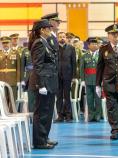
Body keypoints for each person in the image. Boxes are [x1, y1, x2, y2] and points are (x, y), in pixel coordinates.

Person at [28, 19, 59, 149]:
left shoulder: (45, 42)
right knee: (41, 113)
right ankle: (39, 141)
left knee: (48, 112)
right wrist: (41, 85)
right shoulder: (39, 43)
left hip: (49, 82)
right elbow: (38, 66)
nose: (50, 30)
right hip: (43, 83)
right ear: (42, 30)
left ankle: (44, 137)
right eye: (48, 28)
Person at [96, 24, 118, 139]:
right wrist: (98, 84)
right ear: (108, 36)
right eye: (113, 34)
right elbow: (100, 67)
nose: (115, 36)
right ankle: (115, 129)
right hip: (109, 82)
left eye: (117, 33)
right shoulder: (104, 49)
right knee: (111, 106)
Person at [55, 32, 76, 122]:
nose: (62, 38)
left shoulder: (71, 48)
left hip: (68, 75)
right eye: (60, 37)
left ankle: (68, 115)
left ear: (66, 38)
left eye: (63, 37)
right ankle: (60, 115)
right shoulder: (54, 48)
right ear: (57, 38)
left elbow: (74, 63)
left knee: (67, 96)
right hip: (57, 76)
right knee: (59, 96)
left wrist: (74, 76)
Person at [81, 37, 102, 122]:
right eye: (92, 44)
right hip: (88, 80)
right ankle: (91, 115)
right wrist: (82, 80)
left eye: (96, 44)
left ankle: (98, 115)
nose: (94, 45)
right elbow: (82, 68)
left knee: (98, 98)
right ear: (88, 45)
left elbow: (102, 68)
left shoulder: (100, 55)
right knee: (89, 98)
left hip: (98, 80)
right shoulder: (84, 56)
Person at [0, 36, 21, 112]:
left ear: (10, 43)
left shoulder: (15, 53)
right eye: (3, 43)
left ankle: (13, 115)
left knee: (12, 98)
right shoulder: (0, 53)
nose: (5, 45)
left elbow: (18, 68)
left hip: (13, 80)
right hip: (2, 80)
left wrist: (18, 81)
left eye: (7, 43)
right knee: (3, 99)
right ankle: (4, 115)